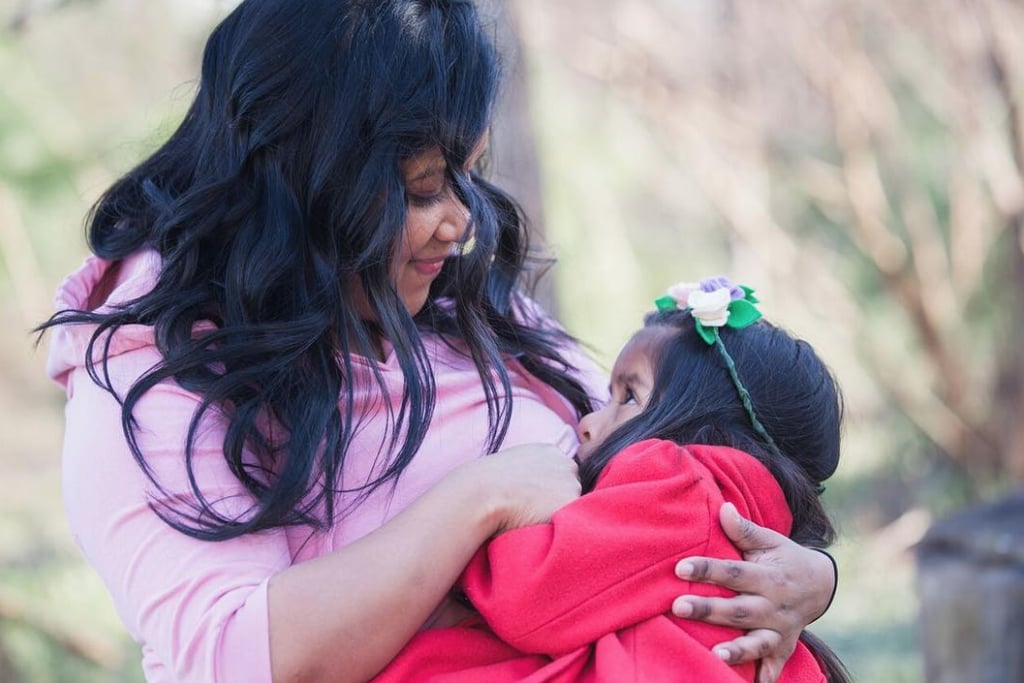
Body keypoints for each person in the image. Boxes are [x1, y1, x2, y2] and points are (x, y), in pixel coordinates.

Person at [39, 2, 837, 682]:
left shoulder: (451, 298)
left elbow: (651, 464)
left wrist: (804, 577)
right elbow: (235, 652)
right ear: (307, 173)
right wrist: (478, 501)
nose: (461, 220)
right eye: (423, 187)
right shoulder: (153, 366)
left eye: (468, 173)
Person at [375, 278, 850, 682]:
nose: (588, 421)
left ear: (700, 421)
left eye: (628, 395)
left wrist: (490, 531)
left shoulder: (679, 482)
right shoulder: (729, 515)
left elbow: (532, 597)